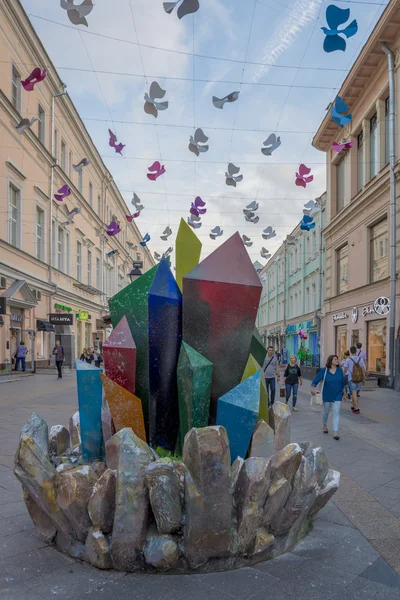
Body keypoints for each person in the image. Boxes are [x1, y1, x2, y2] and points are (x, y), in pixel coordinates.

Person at [311, 354, 346, 440]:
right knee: (326, 411)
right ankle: (324, 424)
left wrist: (344, 393)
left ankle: (335, 432)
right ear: (330, 361)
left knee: (336, 412)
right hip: (327, 394)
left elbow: (343, 383)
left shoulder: (340, 370)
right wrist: (312, 387)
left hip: (338, 394)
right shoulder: (325, 370)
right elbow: (317, 378)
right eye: (335, 359)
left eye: (337, 359)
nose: (337, 360)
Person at [343, 346, 366, 414]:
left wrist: (343, 376)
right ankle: (353, 406)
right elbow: (363, 369)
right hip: (359, 378)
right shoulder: (360, 359)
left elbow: (345, 369)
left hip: (351, 378)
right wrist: (363, 378)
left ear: (350, 352)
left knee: (353, 393)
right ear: (356, 351)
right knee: (356, 393)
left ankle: (356, 408)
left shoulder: (348, 359)